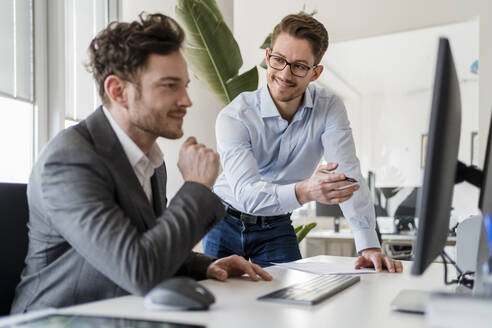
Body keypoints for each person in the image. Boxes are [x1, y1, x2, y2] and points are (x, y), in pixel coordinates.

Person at [11, 13, 271, 314]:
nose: (186, 100)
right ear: (118, 91)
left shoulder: (151, 161)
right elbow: (139, 269)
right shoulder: (69, 160)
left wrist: (206, 266)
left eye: (184, 86)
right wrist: (197, 186)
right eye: (170, 86)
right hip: (59, 320)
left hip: (124, 312)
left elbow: (144, 244)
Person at [203, 14, 403, 273]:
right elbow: (247, 194)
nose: (285, 74)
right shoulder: (235, 116)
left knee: (287, 302)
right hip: (223, 218)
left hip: (276, 224)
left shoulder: (329, 108)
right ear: (268, 57)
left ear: (315, 72)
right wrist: (306, 191)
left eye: (298, 66)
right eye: (278, 60)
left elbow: (347, 175)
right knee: (218, 304)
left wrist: (369, 246)